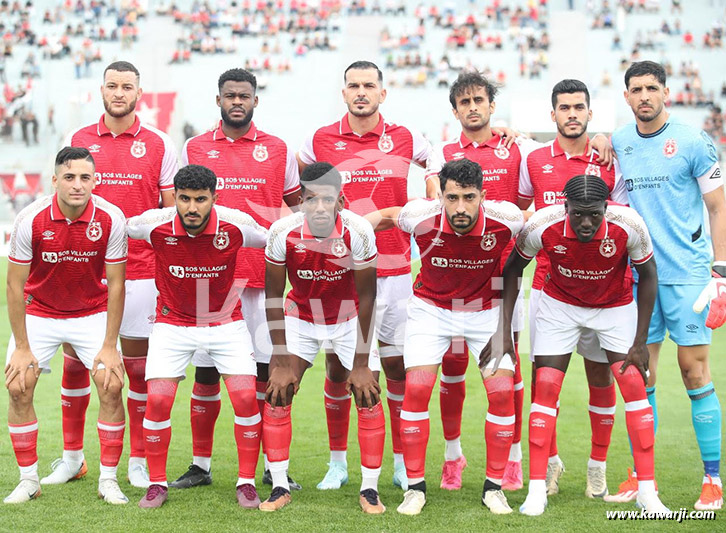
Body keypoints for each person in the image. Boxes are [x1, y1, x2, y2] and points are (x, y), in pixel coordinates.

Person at [426, 72, 615, 492]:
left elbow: (533, 208)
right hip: (454, 280)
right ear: (454, 110)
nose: (473, 107)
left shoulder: (520, 149)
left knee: (509, 370)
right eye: (465, 101)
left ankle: (515, 460)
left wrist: (602, 136)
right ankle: (453, 456)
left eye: (480, 99)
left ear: (493, 106)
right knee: (452, 370)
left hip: (503, 281)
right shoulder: (440, 154)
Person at [486, 174, 669, 516]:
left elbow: (650, 275)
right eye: (578, 214)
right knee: (546, 388)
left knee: (633, 387)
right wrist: (502, 332)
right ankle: (537, 490)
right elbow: (512, 269)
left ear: (607, 207)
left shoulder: (628, 224)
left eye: (595, 214)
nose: (586, 222)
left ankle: (647, 492)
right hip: (560, 307)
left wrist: (640, 341)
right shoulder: (543, 223)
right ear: (565, 206)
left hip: (613, 308)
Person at [297, 60, 432, 490]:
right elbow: (297, 186)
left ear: (382, 93)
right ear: (343, 93)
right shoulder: (319, 139)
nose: (361, 92)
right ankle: (338, 463)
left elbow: (442, 162)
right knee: (339, 369)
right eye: (353, 85)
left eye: (368, 85)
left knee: (394, 367)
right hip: (338, 272)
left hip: (392, 272)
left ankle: (396, 460)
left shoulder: (406, 137)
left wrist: (425, 202)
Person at [367, 158, 524, 515]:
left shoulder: (507, 219)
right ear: (440, 196)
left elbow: (538, 233)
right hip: (430, 309)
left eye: (469, 198)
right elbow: (389, 214)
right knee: (418, 389)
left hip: (485, 312)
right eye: (452, 198)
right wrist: (352, 229)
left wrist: (504, 328)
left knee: (502, 394)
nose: (460, 208)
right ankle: (415, 488)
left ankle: (494, 488)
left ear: (483, 195)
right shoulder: (419, 217)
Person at [171, 68, 301, 491]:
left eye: (244, 96)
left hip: (264, 280)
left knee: (267, 375)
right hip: (211, 280)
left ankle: (272, 467)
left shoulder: (278, 149)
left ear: (255, 101)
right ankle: (201, 465)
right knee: (206, 375)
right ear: (219, 100)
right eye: (230, 95)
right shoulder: (195, 147)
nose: (237, 102)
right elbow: (183, 211)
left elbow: (297, 207)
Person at [53, 60, 178, 489]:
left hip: (141, 269)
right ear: (101, 90)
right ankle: (72, 458)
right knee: (75, 364)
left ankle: (139, 461)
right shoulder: (79, 139)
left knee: (138, 368)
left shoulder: (159, 142)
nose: (119, 92)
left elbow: (168, 211)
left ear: (139, 93)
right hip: (86, 269)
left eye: (127, 86)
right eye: (112, 85)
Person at [609, 60, 724, 511]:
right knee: (641, 376)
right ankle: (641, 474)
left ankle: (712, 479)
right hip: (638, 277)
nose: (644, 96)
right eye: (636, 89)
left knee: (695, 373)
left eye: (652, 88)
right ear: (626, 97)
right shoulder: (619, 141)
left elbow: (717, 206)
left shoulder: (694, 142)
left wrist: (721, 271)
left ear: (666, 92)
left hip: (688, 275)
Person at [126, 164, 268, 509]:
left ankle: (246, 482)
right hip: (172, 326)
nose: (192, 208)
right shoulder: (153, 225)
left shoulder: (236, 225)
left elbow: (274, 240)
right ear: (175, 197)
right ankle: (157, 484)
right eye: (185, 199)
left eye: (201, 200)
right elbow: (122, 228)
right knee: (158, 401)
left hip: (225, 325)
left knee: (247, 398)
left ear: (214, 198)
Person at [517, 79, 628, 499]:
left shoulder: (608, 159)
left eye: (579, 107)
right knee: (548, 381)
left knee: (600, 376)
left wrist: (610, 140)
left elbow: (619, 221)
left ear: (589, 113)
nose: (572, 114)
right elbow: (523, 210)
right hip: (549, 289)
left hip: (602, 290)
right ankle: (550, 460)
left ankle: (597, 465)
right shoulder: (534, 159)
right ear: (553, 115)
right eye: (564, 108)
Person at [4, 147, 128, 505]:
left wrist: (109, 344)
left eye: (85, 177)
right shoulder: (30, 218)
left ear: (95, 180)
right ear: (55, 180)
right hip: (41, 313)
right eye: (70, 177)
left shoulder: (110, 218)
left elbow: (117, 284)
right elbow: (15, 286)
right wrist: (23, 347)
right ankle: (29, 480)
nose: (77, 185)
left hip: (90, 314)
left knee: (111, 383)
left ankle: (108, 480)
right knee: (18, 384)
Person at [261, 162, 384, 513]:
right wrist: (282, 361)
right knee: (278, 390)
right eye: (310, 199)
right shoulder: (282, 232)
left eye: (326, 200)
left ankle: (370, 490)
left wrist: (360, 364)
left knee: (368, 392)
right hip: (301, 317)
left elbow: (368, 298)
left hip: (347, 319)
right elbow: (273, 295)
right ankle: (280, 486)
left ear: (340, 201)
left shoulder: (358, 232)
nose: (318, 207)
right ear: (300, 200)